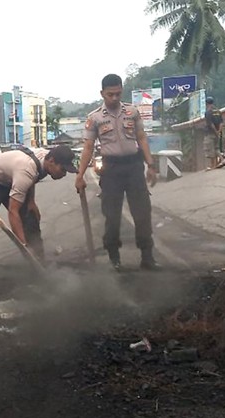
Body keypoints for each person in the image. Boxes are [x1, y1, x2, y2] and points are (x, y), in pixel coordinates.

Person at [0, 145, 78, 280]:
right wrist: (23, 245)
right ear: (51, 161)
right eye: (63, 169)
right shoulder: (26, 170)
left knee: (30, 217)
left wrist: (31, 202)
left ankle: (38, 263)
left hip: (11, 179)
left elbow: (33, 177)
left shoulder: (44, 159)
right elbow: (13, 212)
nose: (64, 174)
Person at [75, 74, 159, 271]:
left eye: (118, 94)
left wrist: (151, 165)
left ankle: (147, 257)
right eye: (110, 94)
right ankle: (114, 259)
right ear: (102, 93)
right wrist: (80, 176)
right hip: (110, 169)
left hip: (133, 167)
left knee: (142, 213)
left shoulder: (132, 112)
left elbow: (141, 137)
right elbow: (88, 147)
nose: (114, 98)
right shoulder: (94, 118)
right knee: (112, 216)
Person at [204, 96, 223, 168]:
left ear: (206, 104)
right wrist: (219, 131)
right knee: (216, 148)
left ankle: (213, 165)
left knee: (211, 150)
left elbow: (211, 124)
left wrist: (215, 131)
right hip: (217, 133)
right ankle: (221, 160)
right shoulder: (218, 111)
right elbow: (221, 122)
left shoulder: (208, 112)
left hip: (210, 133)